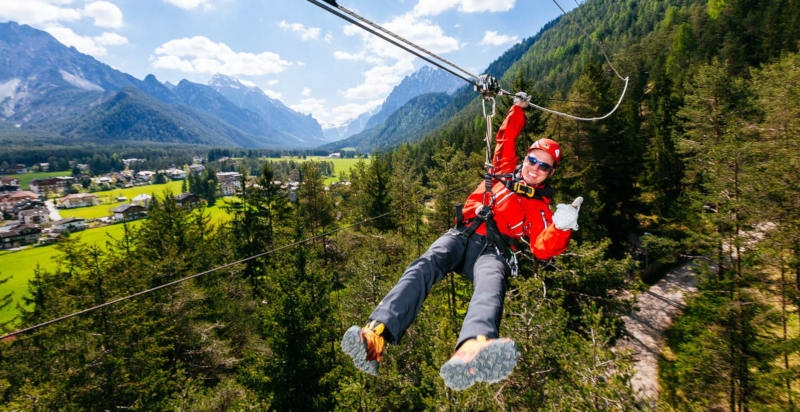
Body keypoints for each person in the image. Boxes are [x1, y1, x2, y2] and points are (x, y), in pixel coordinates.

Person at [341, 92, 583, 390]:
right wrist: (518, 108)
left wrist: (561, 227)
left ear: (550, 173)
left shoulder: (541, 208)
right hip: (463, 234)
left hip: (493, 251)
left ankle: (474, 346)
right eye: (532, 160)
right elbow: (506, 138)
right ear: (525, 158)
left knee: (491, 286)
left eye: (543, 166)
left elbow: (541, 248)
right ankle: (375, 336)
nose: (535, 168)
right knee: (425, 265)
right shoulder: (505, 169)